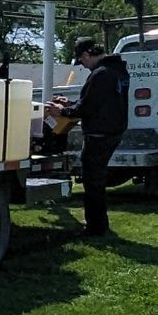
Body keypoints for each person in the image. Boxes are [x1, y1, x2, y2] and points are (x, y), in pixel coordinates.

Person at [63, 37, 128, 236]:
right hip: (114, 132)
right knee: (97, 180)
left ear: (86, 55)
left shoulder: (100, 74)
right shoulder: (118, 71)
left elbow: (88, 107)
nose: (82, 65)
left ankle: (96, 227)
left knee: (93, 182)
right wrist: (70, 104)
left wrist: (63, 111)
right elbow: (96, 100)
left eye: (81, 61)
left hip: (99, 134)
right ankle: (99, 224)